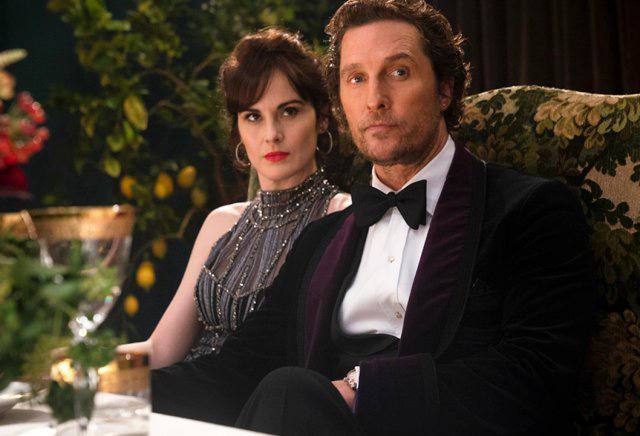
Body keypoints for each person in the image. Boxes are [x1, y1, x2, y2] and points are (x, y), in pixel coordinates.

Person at [152, 1, 595, 434]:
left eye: (398, 72)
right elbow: (239, 368)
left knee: (289, 392)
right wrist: (123, 391)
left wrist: (360, 390)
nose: (375, 99)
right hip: (303, 417)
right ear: (340, 103)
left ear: (445, 89)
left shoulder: (531, 210)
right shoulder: (321, 238)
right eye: (356, 78)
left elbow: (536, 374)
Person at [118, 28, 351, 368]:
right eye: (253, 116)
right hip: (186, 385)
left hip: (265, 395)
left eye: (289, 111)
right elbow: (162, 350)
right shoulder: (221, 223)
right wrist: (87, 367)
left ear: (322, 119)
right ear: (238, 129)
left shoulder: (342, 215)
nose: (271, 134)